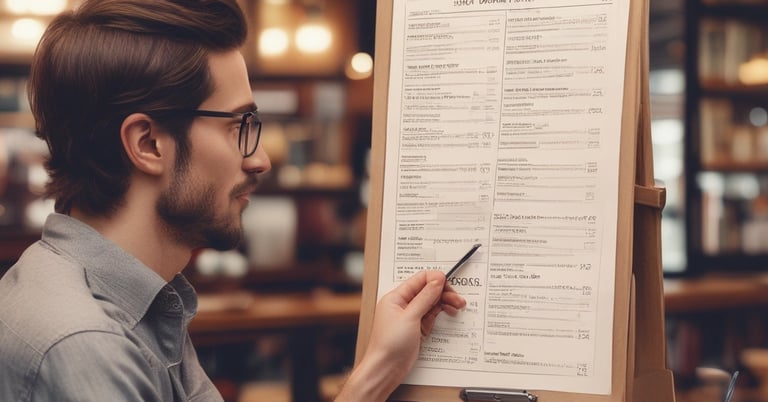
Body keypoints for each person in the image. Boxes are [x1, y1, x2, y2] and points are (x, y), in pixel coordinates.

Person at [0, 0, 466, 401]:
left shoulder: (137, 300)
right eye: (239, 126)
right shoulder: (87, 344)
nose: (261, 160)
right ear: (147, 144)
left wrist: (377, 370)